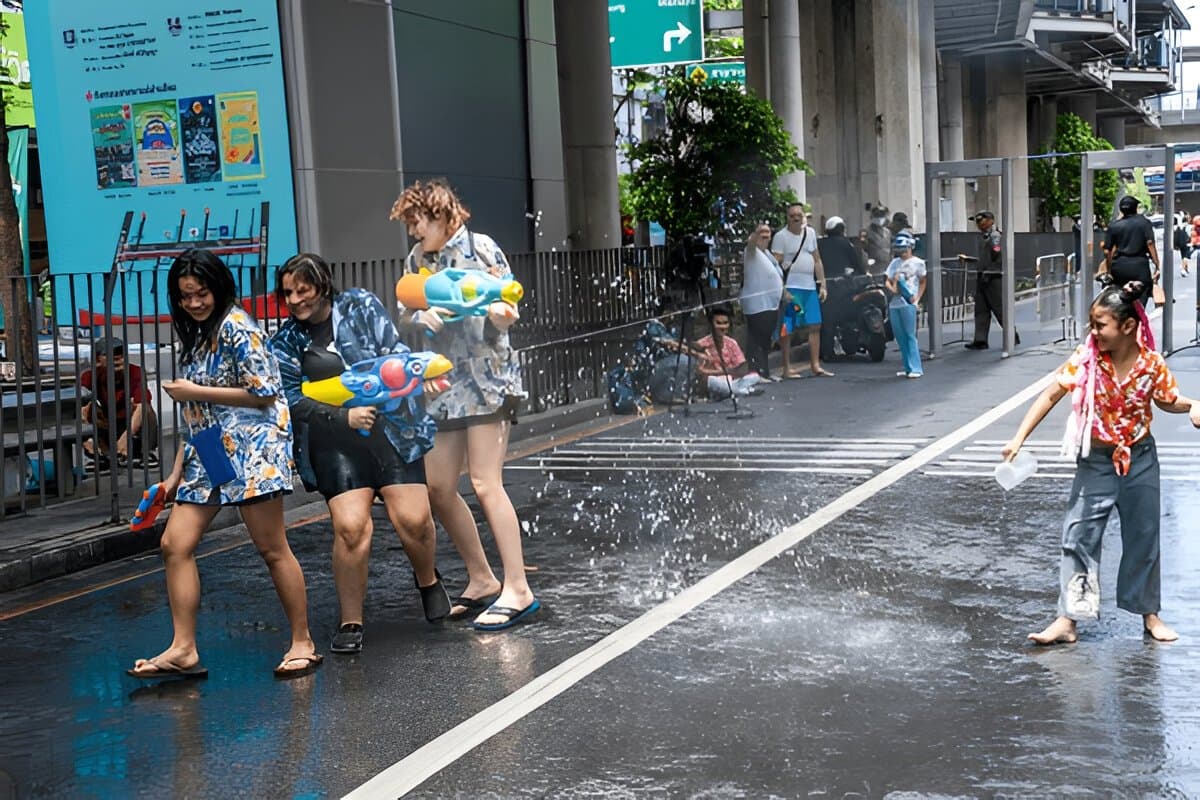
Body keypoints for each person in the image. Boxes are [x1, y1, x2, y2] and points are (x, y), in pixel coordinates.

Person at [127, 248, 320, 680]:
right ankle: (183, 649)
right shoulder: (198, 332)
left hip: (252, 447)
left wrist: (196, 391)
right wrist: (175, 475)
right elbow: (197, 413)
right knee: (175, 544)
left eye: (201, 293)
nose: (194, 302)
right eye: (185, 296)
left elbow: (265, 391)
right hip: (210, 448)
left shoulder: (238, 327)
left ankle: (302, 641)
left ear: (218, 288)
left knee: (272, 548)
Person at [270, 253, 451, 655]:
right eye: (288, 293)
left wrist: (423, 381)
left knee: (415, 520)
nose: (296, 299)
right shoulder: (285, 341)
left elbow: (396, 353)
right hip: (335, 441)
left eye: (304, 289)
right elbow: (290, 399)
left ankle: (427, 580)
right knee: (351, 528)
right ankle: (351, 617)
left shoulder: (361, 306)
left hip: (390, 429)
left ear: (322, 284)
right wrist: (341, 416)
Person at [1002, 278, 1200, 646]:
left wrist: (1191, 406)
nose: (1093, 332)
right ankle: (1068, 619)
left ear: (1127, 327)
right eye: (1092, 324)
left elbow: (1166, 399)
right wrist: (1018, 438)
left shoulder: (1151, 364)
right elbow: (1050, 394)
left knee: (1143, 538)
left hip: (1140, 459)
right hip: (1095, 461)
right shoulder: (1087, 359)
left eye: (1100, 325)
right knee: (1078, 536)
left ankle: (1150, 615)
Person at [390, 179, 537, 631]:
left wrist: (498, 315)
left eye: (416, 222)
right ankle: (482, 577)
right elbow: (404, 311)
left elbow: (506, 309)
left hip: (488, 379)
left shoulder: (483, 249)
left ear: (440, 214)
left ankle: (518, 588)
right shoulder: (419, 260)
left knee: (485, 481)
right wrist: (419, 317)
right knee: (437, 486)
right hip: (444, 385)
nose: (413, 232)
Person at [771, 203, 833, 378]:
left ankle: (815, 364)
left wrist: (822, 284)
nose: (796, 218)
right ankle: (786, 367)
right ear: (787, 218)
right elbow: (775, 265)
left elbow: (817, 259)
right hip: (791, 287)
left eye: (799, 215)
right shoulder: (781, 237)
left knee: (815, 324)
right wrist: (781, 289)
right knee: (788, 327)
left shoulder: (810, 233)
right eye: (792, 216)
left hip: (809, 287)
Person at [80, 336, 159, 469]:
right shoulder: (89, 377)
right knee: (86, 408)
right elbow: (79, 410)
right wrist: (86, 439)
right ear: (98, 360)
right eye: (110, 355)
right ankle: (102, 454)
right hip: (106, 426)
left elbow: (142, 405)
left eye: (121, 354)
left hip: (129, 425)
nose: (117, 358)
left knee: (146, 408)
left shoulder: (136, 372)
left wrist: (126, 437)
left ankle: (146, 452)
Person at [961, 210, 1019, 350]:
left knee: (999, 309)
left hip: (994, 278)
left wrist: (989, 271)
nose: (978, 223)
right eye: (976, 221)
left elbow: (999, 257)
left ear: (990, 220)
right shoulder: (984, 237)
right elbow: (986, 258)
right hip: (983, 277)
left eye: (981, 220)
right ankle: (980, 339)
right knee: (981, 310)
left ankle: (1012, 335)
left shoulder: (994, 236)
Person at [739, 222, 784, 382]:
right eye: (761, 234)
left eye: (767, 233)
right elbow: (750, 243)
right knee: (755, 340)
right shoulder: (751, 252)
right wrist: (755, 233)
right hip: (757, 305)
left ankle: (765, 371)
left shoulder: (768, 254)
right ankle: (754, 372)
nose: (765, 236)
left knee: (765, 340)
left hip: (771, 305)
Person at [1099, 195, 1158, 307]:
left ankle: (1123, 317)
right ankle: (1138, 318)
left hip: (1119, 267)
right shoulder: (1144, 223)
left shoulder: (1114, 226)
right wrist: (1157, 264)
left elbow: (1107, 251)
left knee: (1119, 296)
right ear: (1135, 208)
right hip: (1139, 266)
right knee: (1142, 294)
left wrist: (1109, 268)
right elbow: (1150, 244)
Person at [694, 305, 762, 399]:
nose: (722, 327)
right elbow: (700, 372)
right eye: (718, 323)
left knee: (755, 376)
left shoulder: (732, 343)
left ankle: (735, 390)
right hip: (714, 379)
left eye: (725, 323)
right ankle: (741, 391)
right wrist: (721, 372)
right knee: (713, 381)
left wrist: (731, 373)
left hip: (732, 379)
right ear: (711, 325)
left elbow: (741, 369)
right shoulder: (702, 344)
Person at [884, 232, 926, 379]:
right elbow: (887, 280)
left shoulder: (918, 263)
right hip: (894, 303)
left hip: (908, 303)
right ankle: (908, 367)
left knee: (910, 335)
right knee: (900, 337)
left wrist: (917, 299)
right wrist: (892, 288)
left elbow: (922, 281)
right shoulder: (894, 263)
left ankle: (916, 367)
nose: (902, 252)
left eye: (904, 248)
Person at [865, 205, 892, 269]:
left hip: (887, 265)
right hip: (873, 266)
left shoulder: (888, 232)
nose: (879, 218)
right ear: (872, 216)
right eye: (877, 215)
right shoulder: (866, 232)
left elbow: (890, 248)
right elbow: (862, 251)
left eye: (882, 216)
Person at [1173, 212, 1191, 278]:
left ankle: (1186, 268)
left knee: (1183, 256)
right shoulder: (1188, 226)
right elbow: (1189, 235)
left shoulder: (1178, 226)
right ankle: (1183, 269)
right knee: (1185, 256)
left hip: (1180, 243)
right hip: (1187, 243)